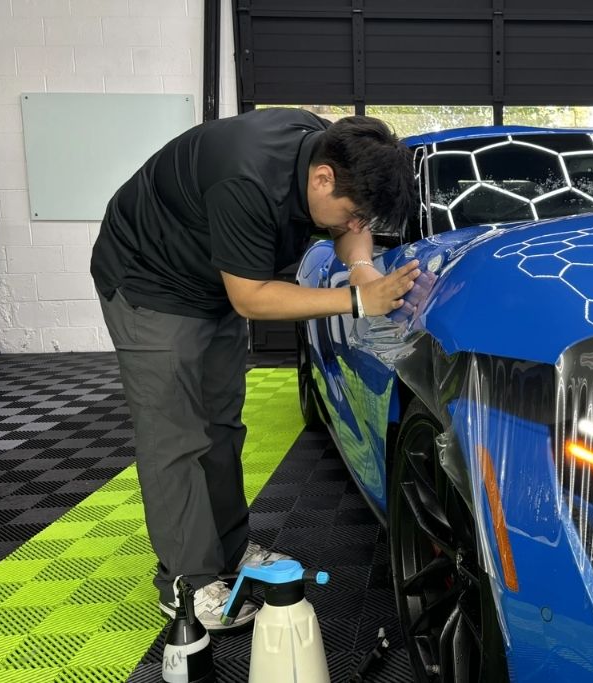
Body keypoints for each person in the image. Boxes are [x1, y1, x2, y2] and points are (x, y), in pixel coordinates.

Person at [90, 108, 419, 630]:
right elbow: (250, 299)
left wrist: (361, 268)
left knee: (221, 423)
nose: (355, 228)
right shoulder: (244, 177)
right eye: (352, 213)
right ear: (322, 177)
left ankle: (228, 552)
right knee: (175, 435)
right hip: (149, 281)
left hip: (212, 280)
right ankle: (187, 584)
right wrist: (357, 302)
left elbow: (349, 231)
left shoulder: (329, 147)